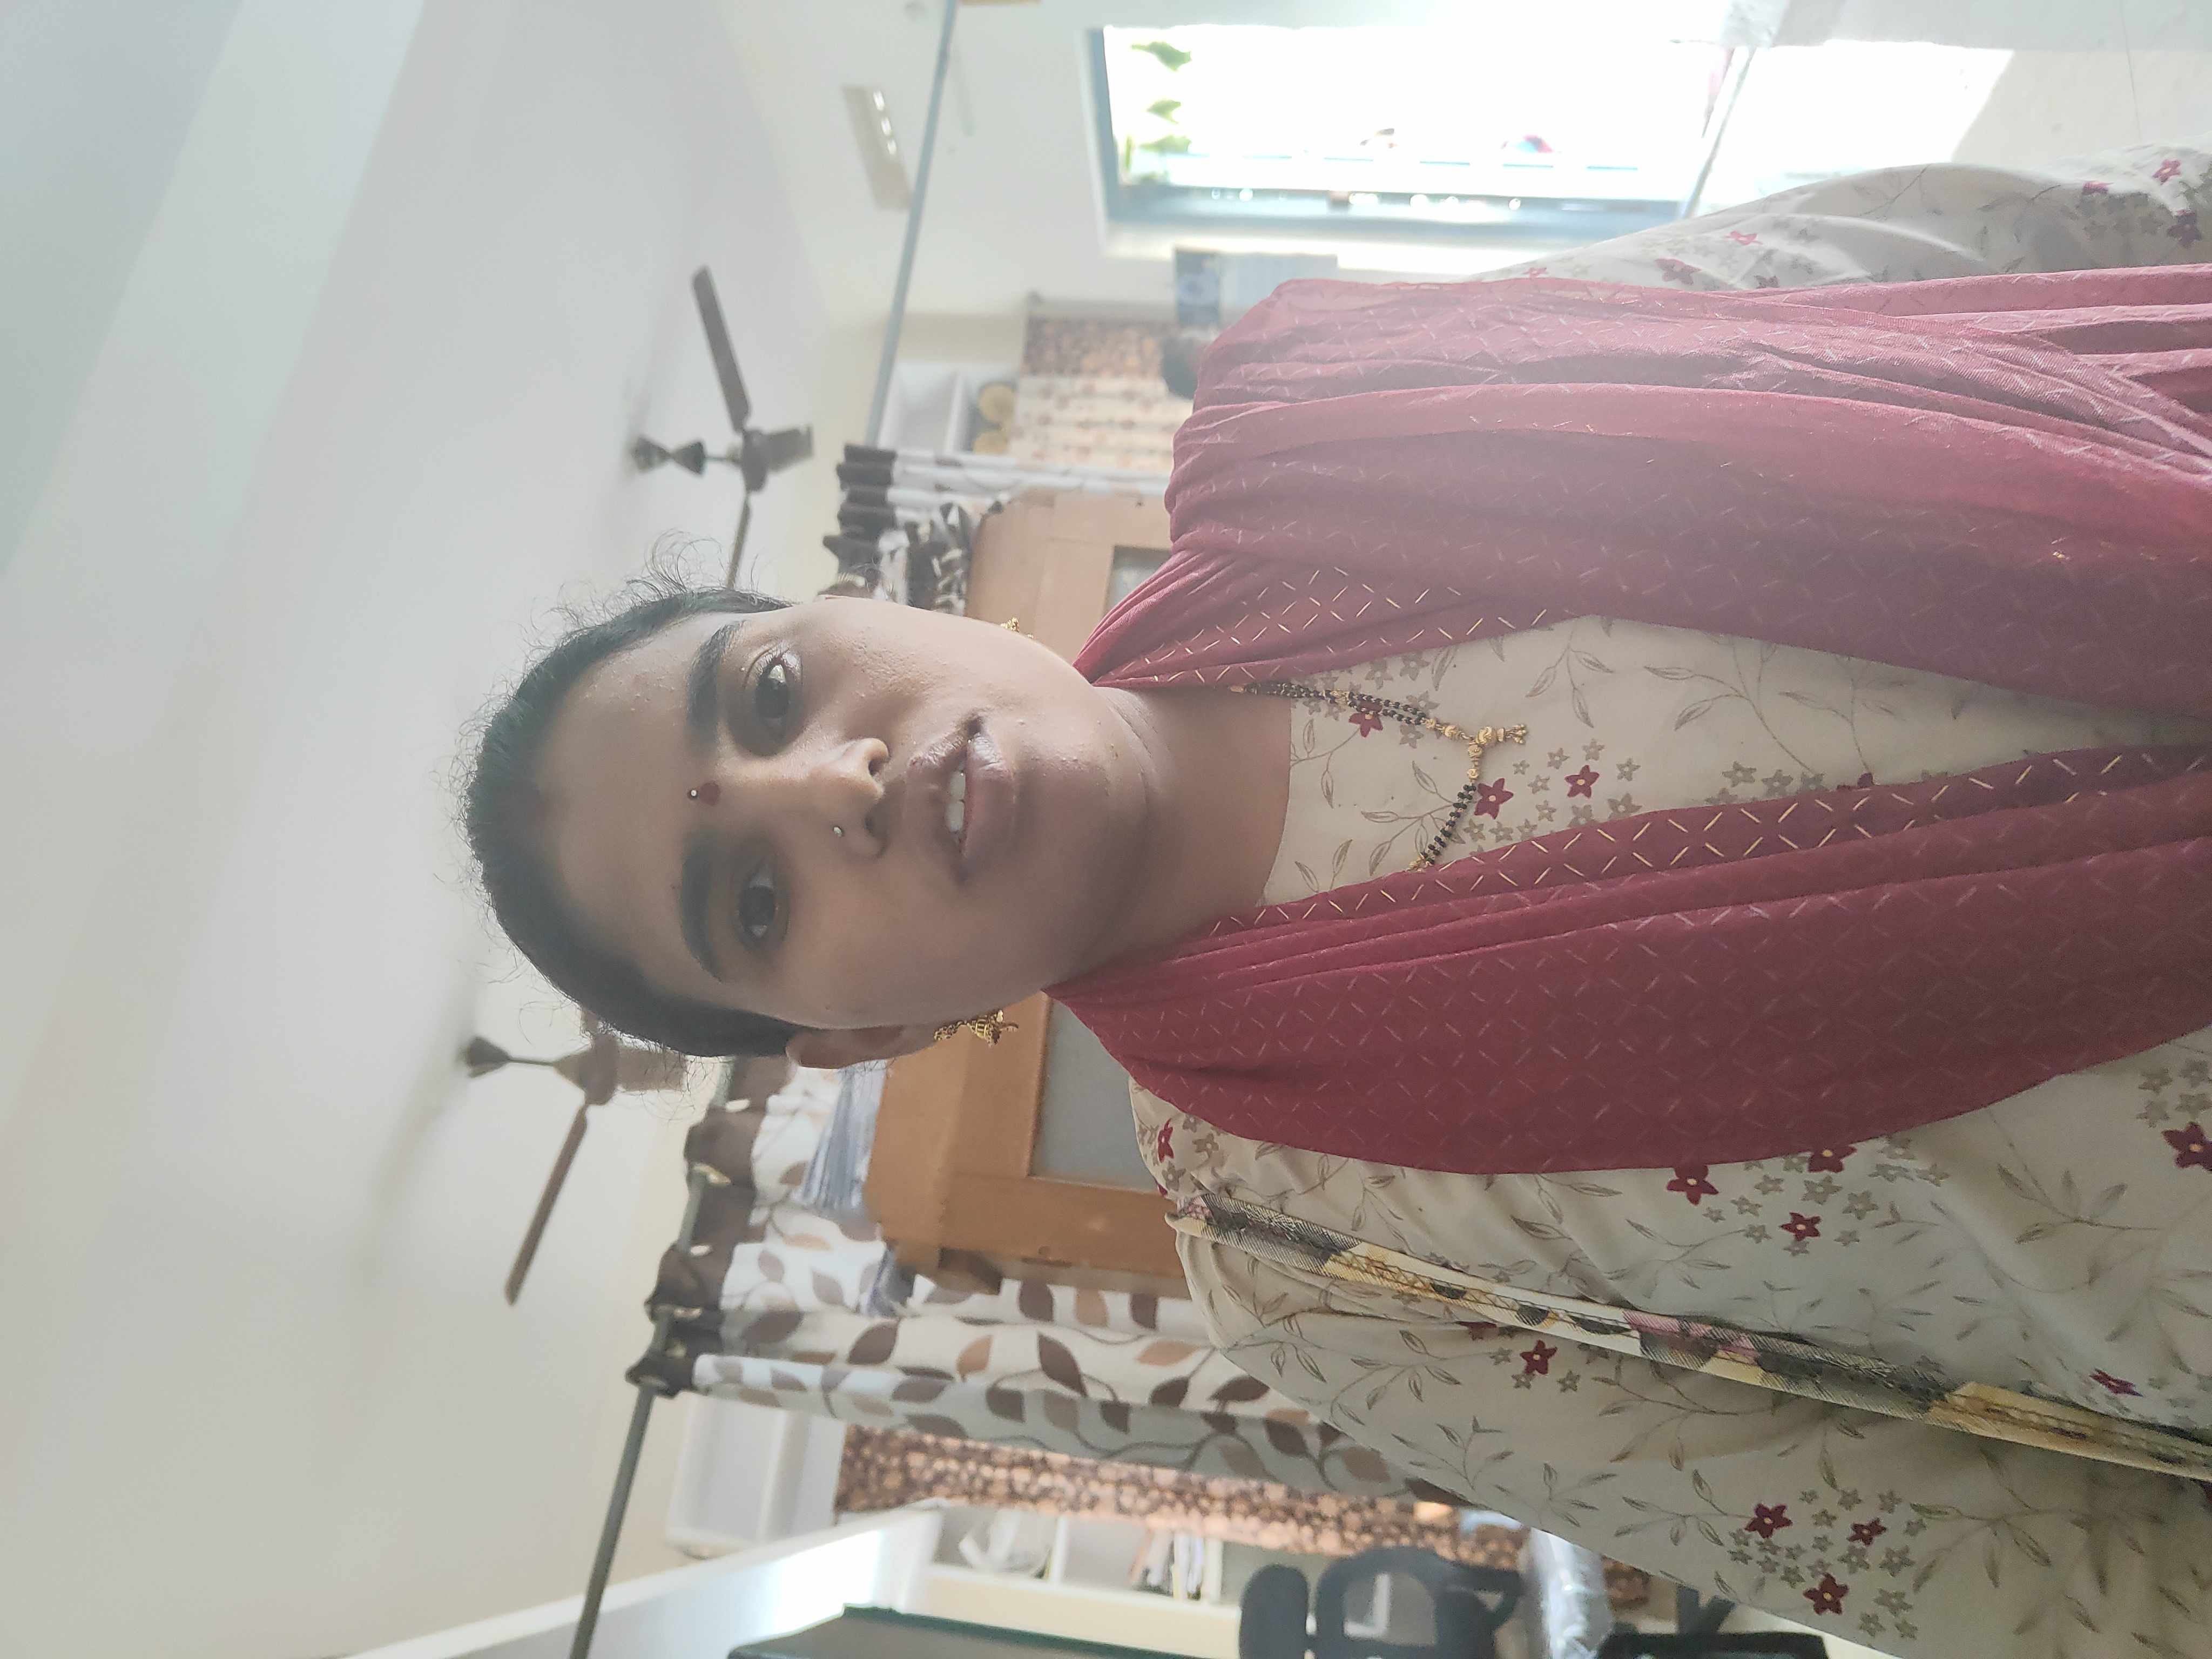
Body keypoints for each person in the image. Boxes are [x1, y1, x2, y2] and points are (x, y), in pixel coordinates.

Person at [465, 141, 2212, 1655]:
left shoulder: (1349, 412)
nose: (828, 786)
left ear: (862, 600)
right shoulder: (1313, 1271)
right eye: (750, 902)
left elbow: (1973, 251)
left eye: (770, 691)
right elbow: (2036, 1582)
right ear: (860, 1038)